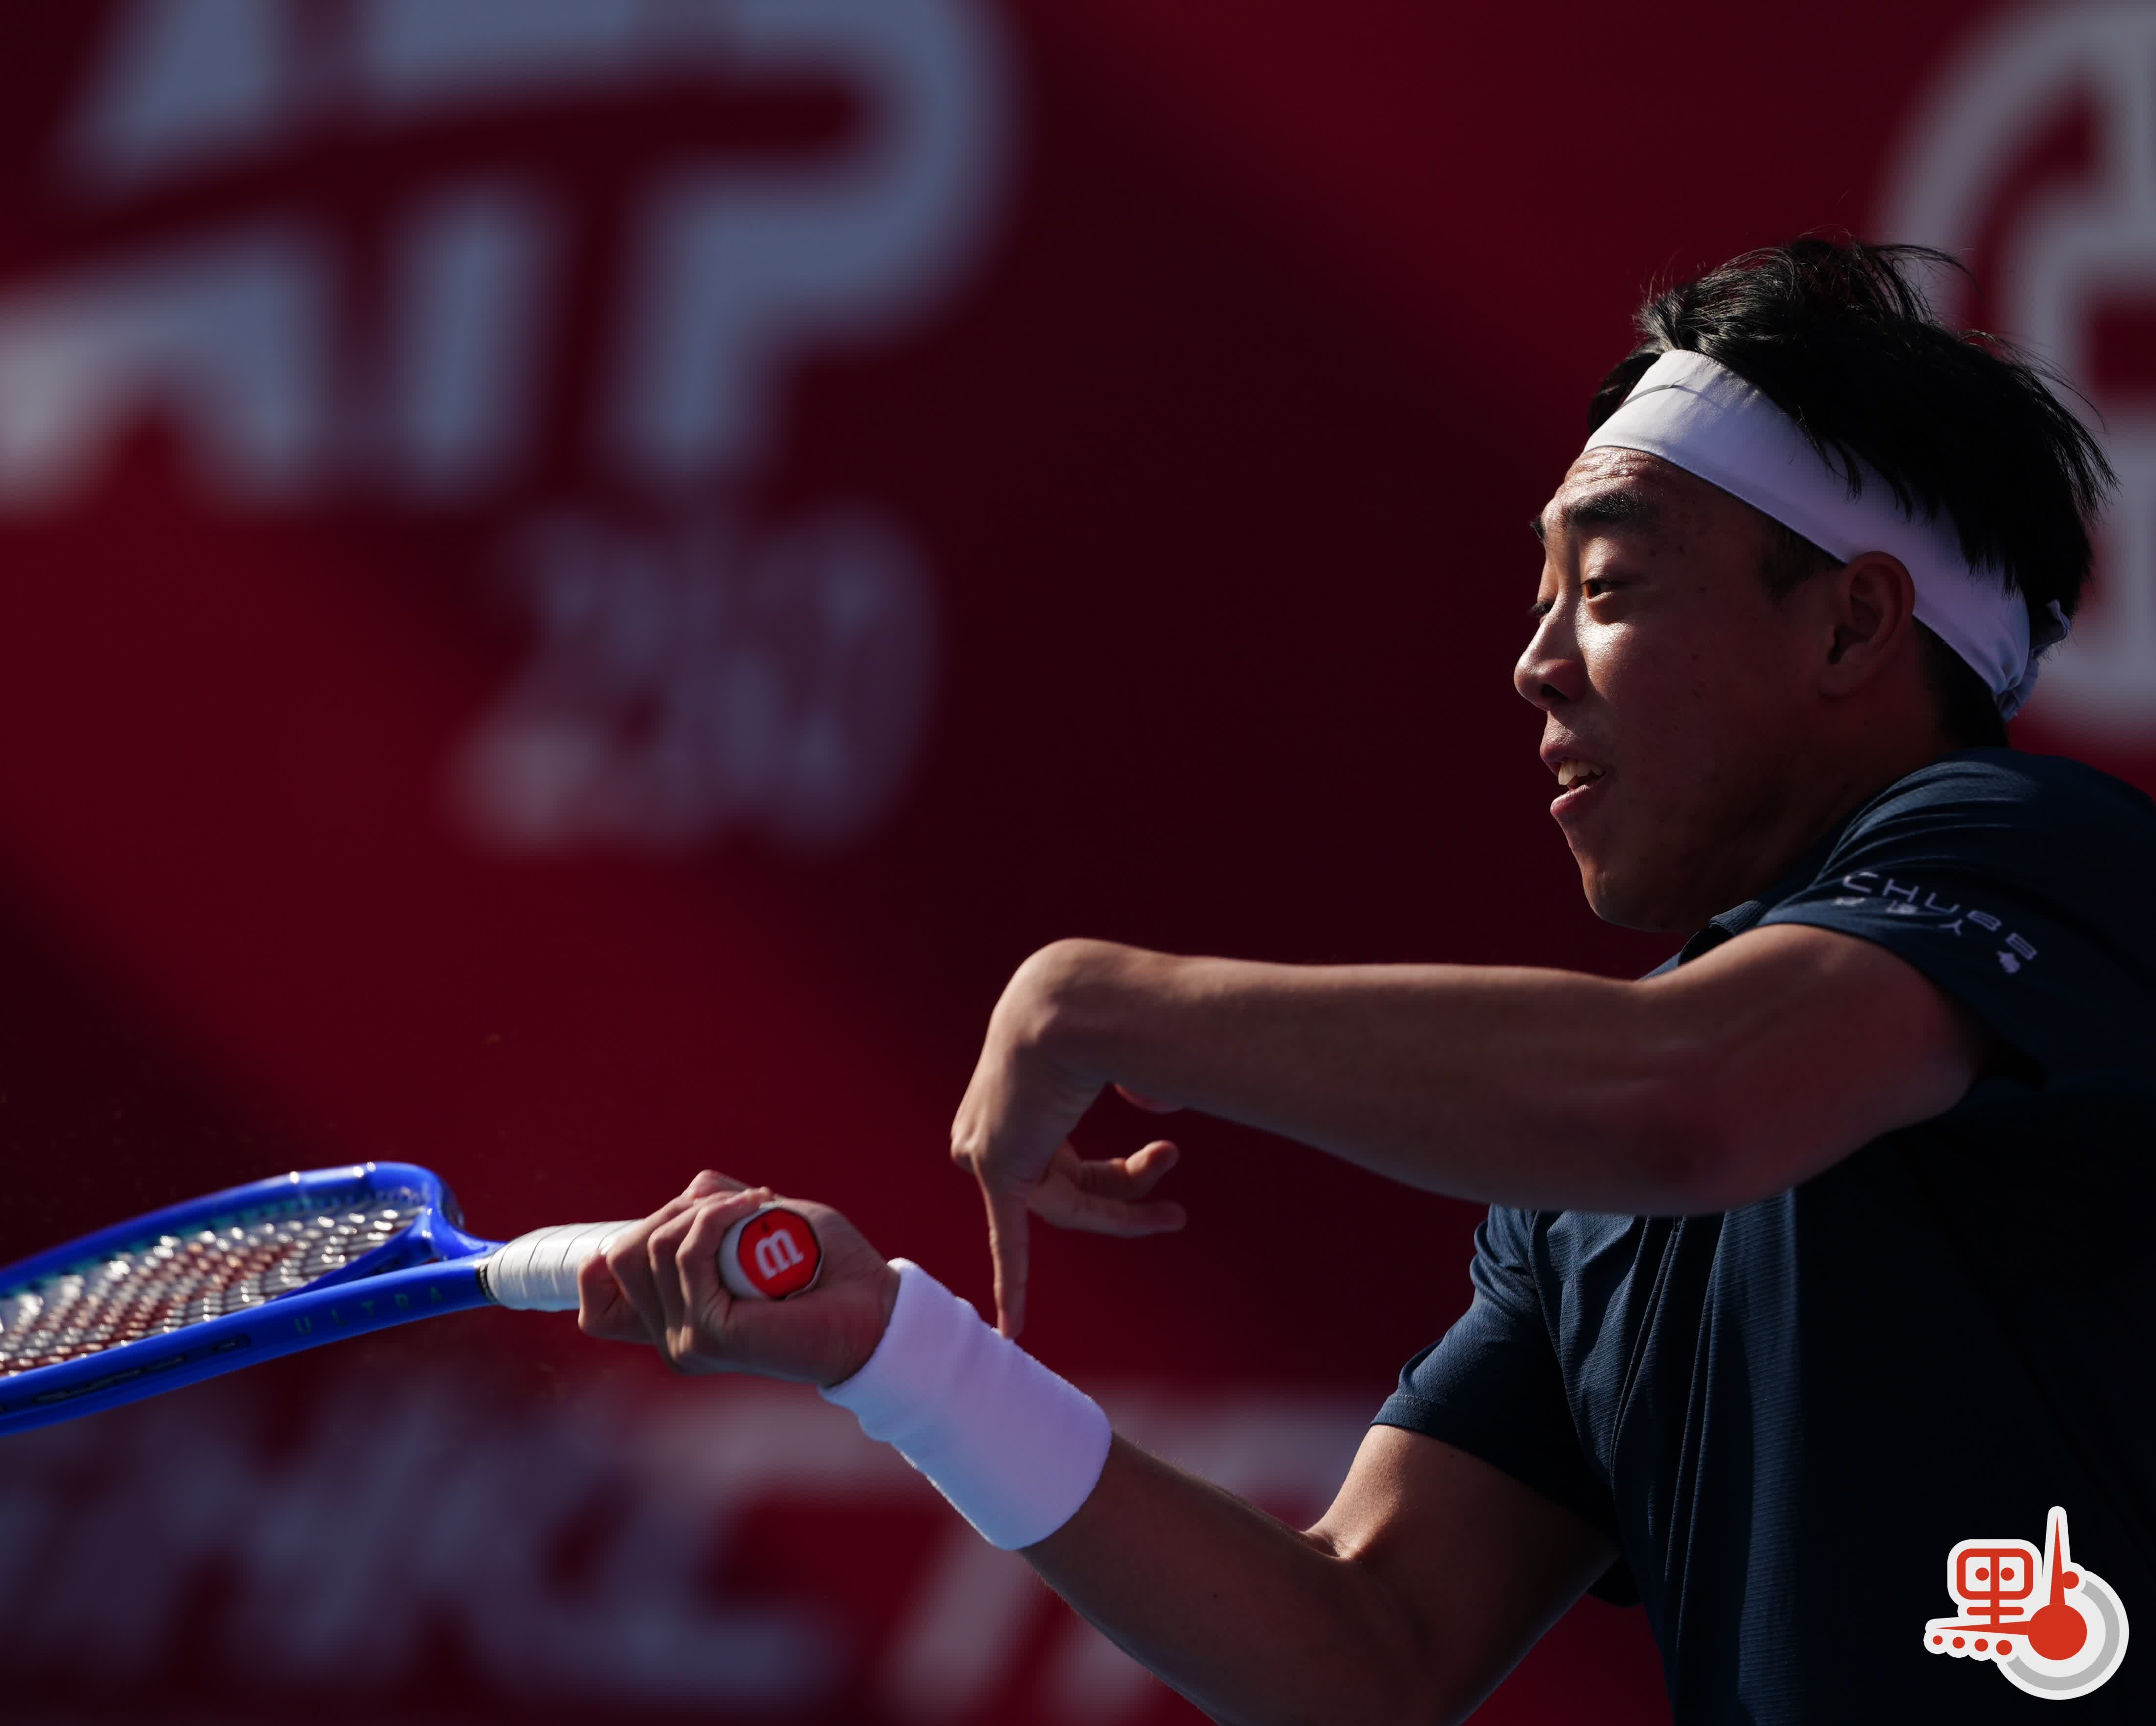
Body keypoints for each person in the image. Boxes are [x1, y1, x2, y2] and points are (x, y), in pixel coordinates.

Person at [575, 238, 2156, 1723]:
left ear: (1851, 626)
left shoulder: (2041, 851)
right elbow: (1363, 1651)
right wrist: (896, 1357)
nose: (1535, 663)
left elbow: (1683, 1099)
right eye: (1542, 602)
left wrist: (1096, 1001)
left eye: (1608, 590)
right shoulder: (1586, 1188)